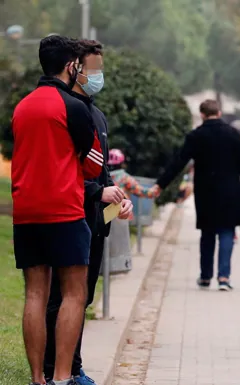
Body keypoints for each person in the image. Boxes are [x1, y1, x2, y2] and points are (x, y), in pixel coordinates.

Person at [11, 35, 104, 385]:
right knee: (73, 293)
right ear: (71, 66)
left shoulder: (23, 106)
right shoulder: (74, 107)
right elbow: (94, 163)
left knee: (35, 293)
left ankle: (38, 379)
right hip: (64, 209)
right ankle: (63, 377)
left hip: (26, 212)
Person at [42, 39, 133, 385]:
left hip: (95, 220)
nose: (98, 76)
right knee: (61, 298)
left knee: (83, 298)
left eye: (100, 69)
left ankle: (74, 366)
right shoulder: (65, 110)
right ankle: (55, 369)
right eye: (93, 69)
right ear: (74, 67)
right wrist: (97, 191)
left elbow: (101, 170)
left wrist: (116, 198)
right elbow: (62, 172)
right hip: (67, 217)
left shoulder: (96, 114)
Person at [151, 100, 240, 291]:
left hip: (206, 192)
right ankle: (224, 277)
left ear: (202, 114)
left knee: (207, 233)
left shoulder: (196, 136)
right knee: (226, 232)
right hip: (231, 191)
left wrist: (160, 184)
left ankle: (205, 276)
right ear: (220, 112)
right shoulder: (233, 134)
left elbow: (179, 162)